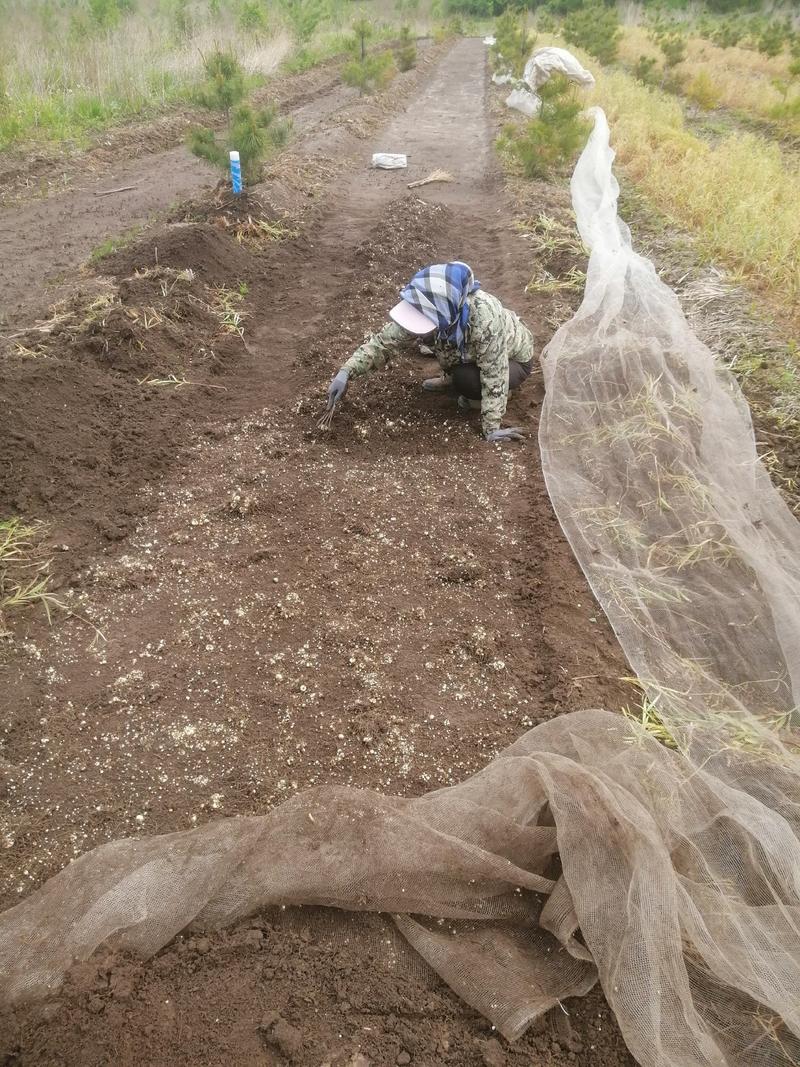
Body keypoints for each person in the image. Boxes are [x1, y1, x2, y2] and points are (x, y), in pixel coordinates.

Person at [326, 262, 533, 442]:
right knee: (440, 345)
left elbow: (494, 372)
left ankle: (504, 392)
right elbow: (384, 343)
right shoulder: (428, 305)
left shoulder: (484, 320)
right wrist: (346, 372)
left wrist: (492, 427)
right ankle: (451, 378)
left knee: (467, 383)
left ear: (444, 315)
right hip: (471, 354)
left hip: (511, 360)